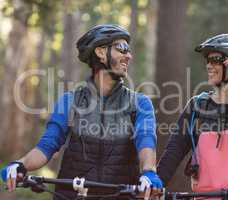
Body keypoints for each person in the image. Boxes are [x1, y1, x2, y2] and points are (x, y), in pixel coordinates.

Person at [1, 24, 163, 200]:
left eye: (129, 50)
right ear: (100, 52)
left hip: (120, 195)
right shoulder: (69, 101)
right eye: (122, 49)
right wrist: (21, 165)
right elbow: (47, 145)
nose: (128, 56)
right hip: (72, 194)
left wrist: (148, 172)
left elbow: (146, 140)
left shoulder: (140, 103)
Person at [157, 34, 228, 195]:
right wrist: (155, 184)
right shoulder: (197, 105)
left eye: (215, 59)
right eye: (207, 61)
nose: (209, 66)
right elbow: (174, 150)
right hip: (207, 196)